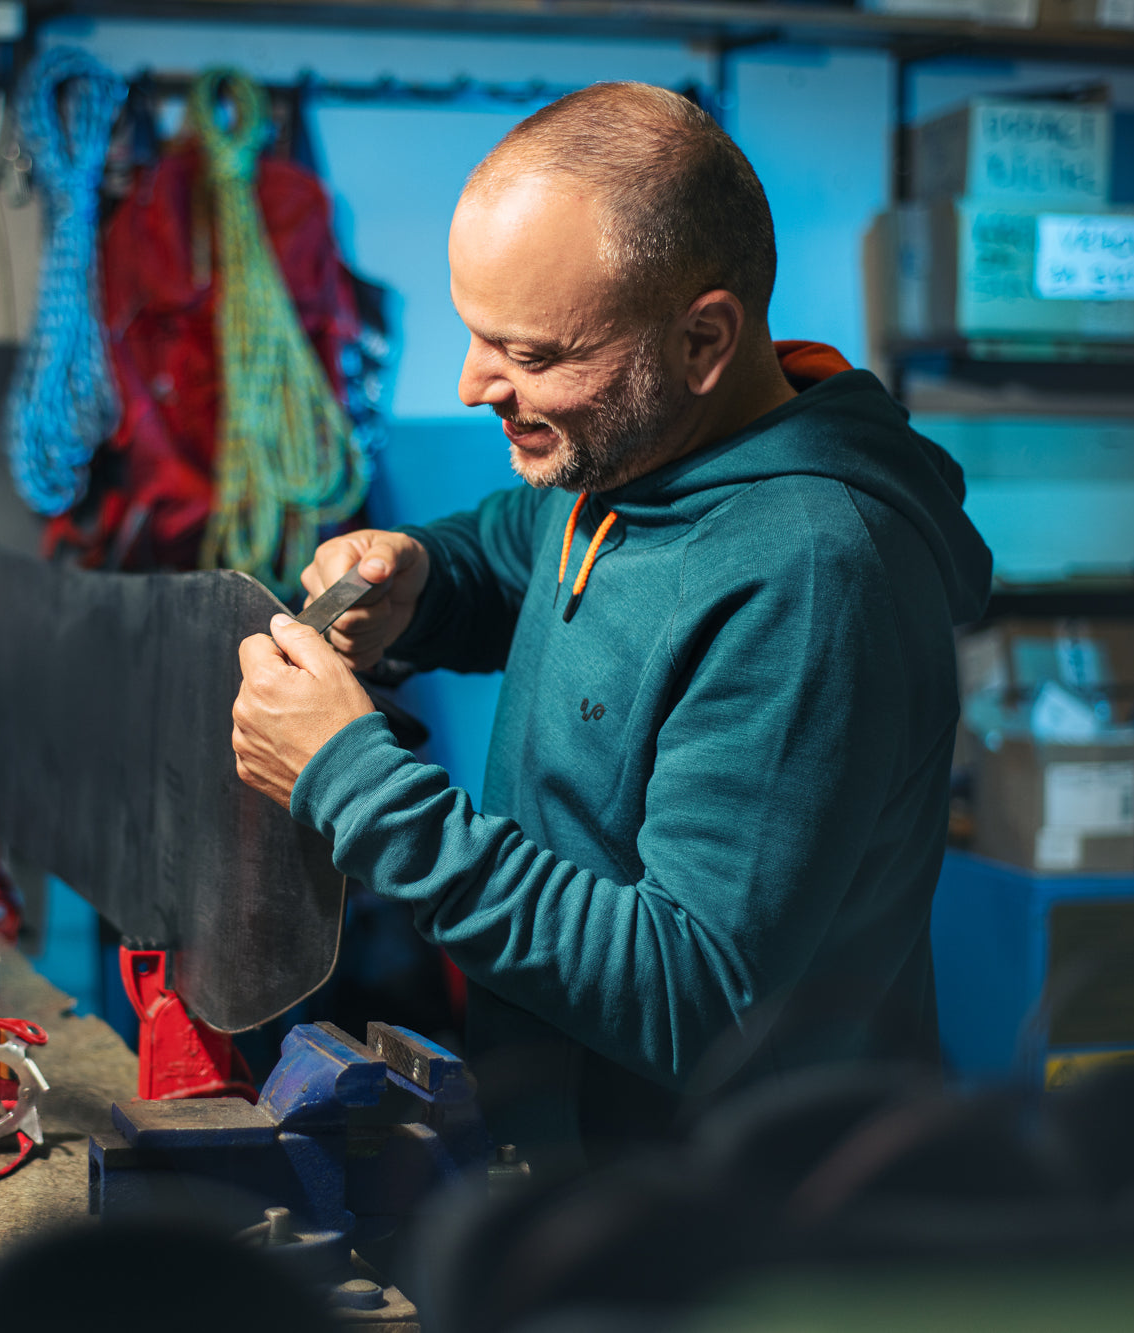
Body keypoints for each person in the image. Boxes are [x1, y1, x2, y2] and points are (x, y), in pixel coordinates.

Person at [232, 82, 992, 1174]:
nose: (472, 384)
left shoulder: (815, 576)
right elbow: (526, 544)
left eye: (531, 356)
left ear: (703, 340)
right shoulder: (638, 451)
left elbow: (698, 993)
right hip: (570, 1155)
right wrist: (426, 577)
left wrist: (354, 784)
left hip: (721, 1221)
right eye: (475, 336)